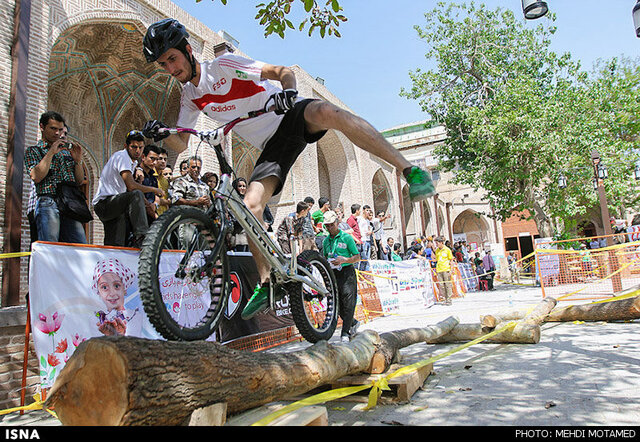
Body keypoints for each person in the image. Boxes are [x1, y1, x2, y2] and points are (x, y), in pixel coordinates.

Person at [141, 18, 436, 320]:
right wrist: (162, 133)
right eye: (163, 64)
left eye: (172, 59)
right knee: (250, 206)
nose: (171, 68)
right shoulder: (190, 98)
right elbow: (181, 142)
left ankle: (409, 170)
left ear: (188, 50)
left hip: (288, 113)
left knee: (330, 112)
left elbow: (283, 72)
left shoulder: (224, 65)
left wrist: (289, 93)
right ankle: (269, 282)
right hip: (273, 146)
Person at [93, 130, 163, 247]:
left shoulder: (133, 163)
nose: (137, 151)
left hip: (117, 206)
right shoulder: (122, 156)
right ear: (126, 146)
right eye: (134, 147)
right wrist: (154, 190)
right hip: (105, 204)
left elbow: (129, 188)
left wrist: (147, 205)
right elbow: (132, 187)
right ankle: (142, 236)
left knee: (116, 244)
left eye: (140, 147)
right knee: (136, 194)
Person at [25, 111, 87, 244]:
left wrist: (77, 161)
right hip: (48, 201)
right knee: (50, 248)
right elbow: (36, 176)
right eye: (53, 129)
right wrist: (51, 152)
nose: (57, 133)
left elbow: (79, 181)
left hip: (69, 203)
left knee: (80, 246)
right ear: (42, 127)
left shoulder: (66, 153)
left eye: (60, 129)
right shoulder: (34, 151)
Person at [321, 210, 361, 343]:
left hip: (347, 272)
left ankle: (345, 332)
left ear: (337, 223)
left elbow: (357, 257)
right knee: (337, 305)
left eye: (332, 225)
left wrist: (344, 260)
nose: (329, 228)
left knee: (348, 302)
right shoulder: (326, 241)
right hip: (333, 275)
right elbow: (325, 256)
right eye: (327, 226)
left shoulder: (346, 238)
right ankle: (353, 322)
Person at [92, 258, 142, 337]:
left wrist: (120, 334)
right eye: (104, 287)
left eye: (116, 286)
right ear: (99, 292)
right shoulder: (96, 318)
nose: (112, 293)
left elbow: (134, 343)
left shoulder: (134, 315)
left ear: (124, 288)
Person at [140, 144, 162, 223]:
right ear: (143, 157)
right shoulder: (137, 173)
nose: (155, 162)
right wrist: (149, 206)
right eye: (152, 158)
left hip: (151, 214)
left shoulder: (153, 175)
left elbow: (156, 195)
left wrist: (155, 204)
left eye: (157, 159)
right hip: (139, 215)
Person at [434, 236, 455, 305]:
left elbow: (451, 260)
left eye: (437, 243)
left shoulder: (447, 250)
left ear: (441, 243)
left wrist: (451, 269)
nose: (436, 245)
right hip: (439, 270)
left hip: (446, 269)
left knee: (447, 285)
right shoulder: (437, 250)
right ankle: (445, 298)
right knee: (441, 286)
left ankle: (449, 299)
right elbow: (437, 259)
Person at [155, 146, 172, 216]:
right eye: (160, 159)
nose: (163, 161)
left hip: (164, 216)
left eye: (165, 159)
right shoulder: (149, 176)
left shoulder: (165, 180)